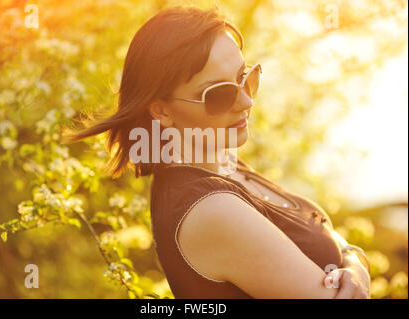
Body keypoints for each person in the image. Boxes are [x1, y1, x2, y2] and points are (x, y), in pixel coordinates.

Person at [62, 6, 370, 299]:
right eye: (219, 94)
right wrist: (356, 265)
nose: (246, 102)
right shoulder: (211, 210)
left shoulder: (223, 163)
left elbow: (331, 240)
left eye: (244, 77)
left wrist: (355, 261)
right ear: (162, 111)